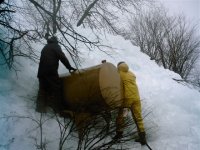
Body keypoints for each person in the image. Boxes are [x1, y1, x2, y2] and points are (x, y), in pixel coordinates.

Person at [36, 36, 76, 113]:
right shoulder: (55, 46)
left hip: (41, 72)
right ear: (56, 41)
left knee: (43, 90)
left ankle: (40, 109)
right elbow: (62, 57)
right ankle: (59, 110)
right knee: (56, 89)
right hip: (50, 72)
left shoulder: (45, 47)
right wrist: (69, 67)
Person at [114, 61, 146, 145]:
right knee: (138, 117)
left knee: (121, 116)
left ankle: (119, 135)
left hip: (127, 100)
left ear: (118, 66)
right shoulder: (131, 73)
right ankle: (143, 137)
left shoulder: (119, 73)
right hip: (136, 98)